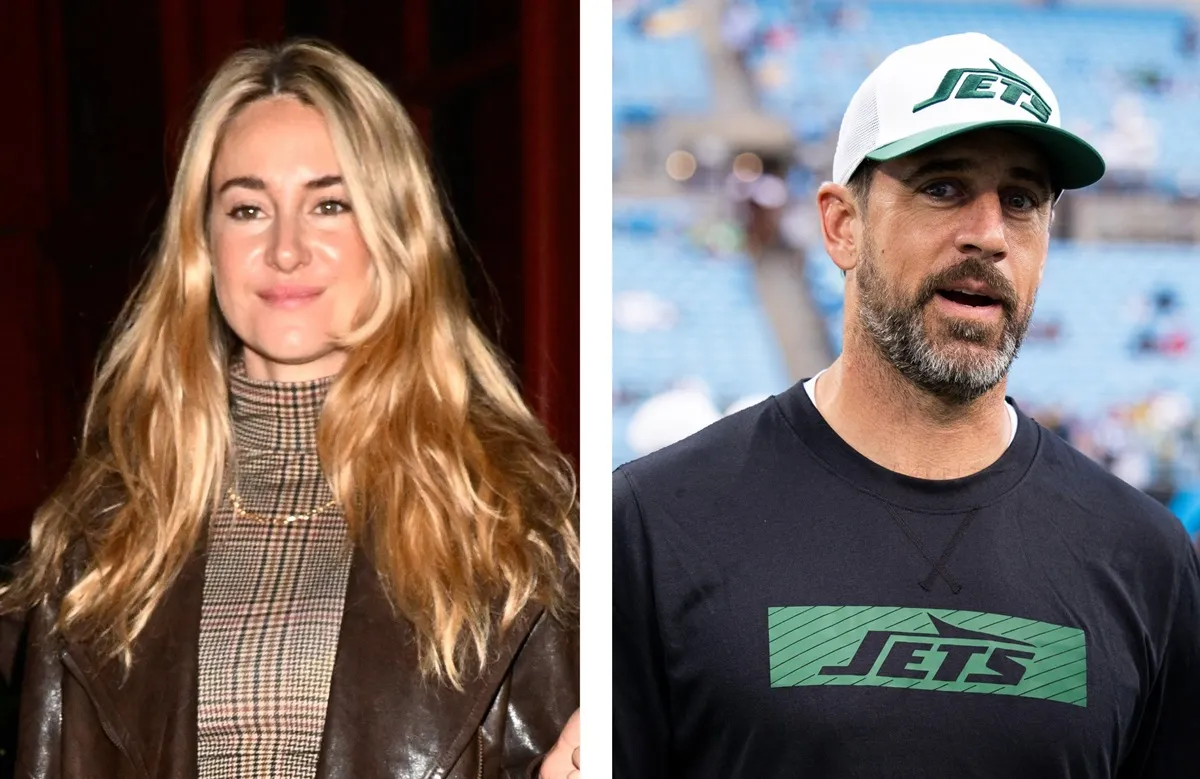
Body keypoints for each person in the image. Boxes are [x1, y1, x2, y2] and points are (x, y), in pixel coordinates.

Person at [614, 32, 1200, 777]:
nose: (987, 234)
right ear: (841, 225)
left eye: (1020, 200)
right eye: (943, 187)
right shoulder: (651, 524)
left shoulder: (1143, 555)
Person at [0, 39, 581, 778]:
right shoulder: (103, 538)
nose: (286, 249)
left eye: (330, 204)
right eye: (247, 208)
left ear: (395, 232)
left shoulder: (515, 522)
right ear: (202, 244)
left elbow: (762, 672)